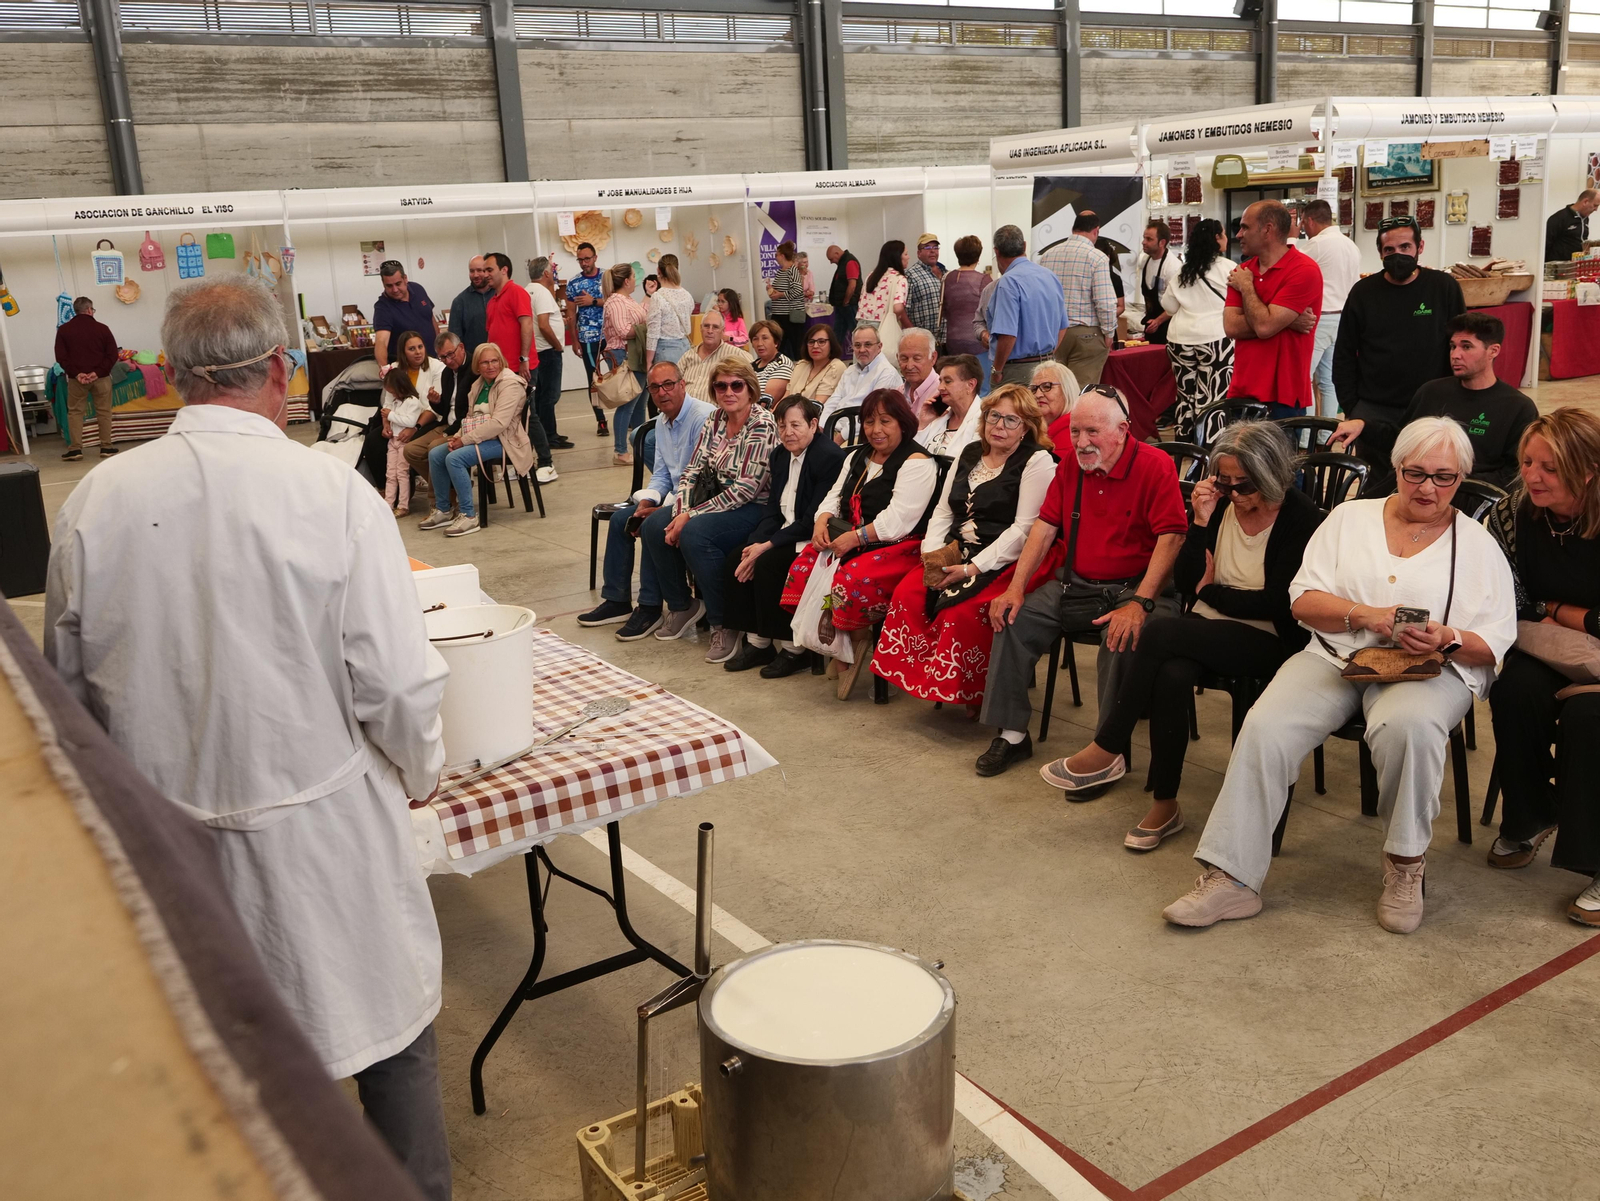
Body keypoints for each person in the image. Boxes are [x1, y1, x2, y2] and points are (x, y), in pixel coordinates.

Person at [44, 276, 453, 1201]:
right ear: (280, 370)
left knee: (226, 1084)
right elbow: (392, 679)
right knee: (389, 1048)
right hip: (329, 839)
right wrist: (422, 768)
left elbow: (68, 716)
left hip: (174, 851)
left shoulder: (94, 505)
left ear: (176, 374)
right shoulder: (331, 493)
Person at [1163, 417, 1516, 933]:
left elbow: (1495, 644)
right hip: (1334, 653)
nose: (1428, 488)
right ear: (1395, 468)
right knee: (1267, 726)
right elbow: (1302, 599)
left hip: (1427, 670)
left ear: (1461, 478)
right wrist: (1366, 616)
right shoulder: (1350, 519)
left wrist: (1448, 638)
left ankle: (1405, 865)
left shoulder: (1478, 546)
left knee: (1408, 728)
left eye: (1444, 477)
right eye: (1415, 472)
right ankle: (1231, 878)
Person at [1047, 423, 1322, 848]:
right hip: (1206, 628)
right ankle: (1165, 804)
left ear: (1269, 474)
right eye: (1223, 481)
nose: (1232, 491)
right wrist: (1199, 521)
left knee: (1156, 632)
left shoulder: (1300, 515)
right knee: (1172, 673)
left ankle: (1108, 746)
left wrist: (1212, 592)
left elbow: (1278, 603)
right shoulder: (1222, 507)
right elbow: (1189, 575)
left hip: (1269, 638)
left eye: (1242, 483)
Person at [974, 387, 1187, 778]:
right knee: (1012, 618)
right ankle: (1013, 734)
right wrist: (1016, 587)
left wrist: (1140, 603)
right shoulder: (1071, 465)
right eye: (1074, 432)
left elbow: (1171, 537)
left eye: (1092, 432)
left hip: (1137, 589)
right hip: (1076, 585)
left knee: (1119, 637)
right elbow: (1044, 527)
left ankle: (1109, 751)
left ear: (1122, 430)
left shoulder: (1155, 465)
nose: (1081, 442)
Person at [1484, 409, 1600, 926]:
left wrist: (1554, 609)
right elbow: (1507, 598)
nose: (1532, 476)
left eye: (1549, 468)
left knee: (1587, 719)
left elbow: (1536, 604)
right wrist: (1573, 617)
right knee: (1514, 692)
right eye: (1527, 462)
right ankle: (1531, 815)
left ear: (1588, 470)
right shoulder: (1513, 514)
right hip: (1548, 647)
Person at [874, 384, 1058, 707]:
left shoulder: (1037, 461)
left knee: (962, 612)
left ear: (1027, 426)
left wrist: (972, 568)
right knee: (909, 594)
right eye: (993, 416)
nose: (999, 426)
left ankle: (974, 693)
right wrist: (931, 555)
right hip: (959, 549)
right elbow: (944, 510)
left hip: (1009, 558)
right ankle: (928, 680)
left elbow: (1023, 531)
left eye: (1011, 420)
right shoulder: (971, 452)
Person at [781, 388, 940, 700]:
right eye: (869, 422)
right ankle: (842, 636)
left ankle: (850, 638)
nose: (875, 430)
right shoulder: (857, 456)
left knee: (849, 580)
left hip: (897, 545)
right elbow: (835, 495)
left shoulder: (917, 461)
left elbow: (898, 521)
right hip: (852, 537)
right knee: (803, 566)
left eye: (885, 421)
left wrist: (855, 537)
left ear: (902, 423)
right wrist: (821, 521)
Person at [640, 358, 778, 662]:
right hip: (713, 501)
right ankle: (682, 605)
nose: (728, 391)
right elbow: (691, 471)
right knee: (654, 526)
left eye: (736, 385)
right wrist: (680, 510)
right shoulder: (714, 420)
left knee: (695, 533)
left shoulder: (762, 424)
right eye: (721, 385)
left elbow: (746, 489)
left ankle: (725, 621)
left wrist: (690, 516)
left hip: (754, 507)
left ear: (750, 388)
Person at [578, 361, 714, 638]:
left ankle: (650, 606)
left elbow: (699, 479)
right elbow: (663, 474)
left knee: (653, 526)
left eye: (668, 385)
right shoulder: (662, 422)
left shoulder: (703, 417)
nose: (663, 392)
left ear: (682, 385)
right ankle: (617, 600)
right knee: (622, 520)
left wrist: (661, 510)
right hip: (675, 497)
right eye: (655, 387)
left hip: (698, 499)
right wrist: (646, 502)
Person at [720, 395, 849, 675]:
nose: (788, 433)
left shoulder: (828, 457)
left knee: (768, 564)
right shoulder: (780, 454)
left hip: (814, 537)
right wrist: (756, 542)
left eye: (795, 425)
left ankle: (794, 649)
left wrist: (766, 546)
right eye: (782, 426)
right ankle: (758, 642)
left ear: (813, 424)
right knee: (737, 559)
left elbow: (812, 519)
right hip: (786, 531)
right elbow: (773, 510)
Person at [1328, 216, 1465, 464]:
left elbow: (1459, 345)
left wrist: (1455, 398)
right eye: (1389, 250)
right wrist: (1352, 407)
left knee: (1425, 479)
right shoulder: (1363, 292)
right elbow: (1345, 354)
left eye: (1405, 248)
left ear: (1419, 247)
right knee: (1375, 481)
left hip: (1431, 409)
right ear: (1380, 252)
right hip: (1373, 410)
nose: (1397, 255)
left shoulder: (1443, 287)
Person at [1369, 312, 1538, 493]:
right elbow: (1399, 440)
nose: (1455, 355)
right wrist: (1364, 426)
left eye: (1466, 347)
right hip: (1414, 488)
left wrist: (1449, 481)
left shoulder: (1518, 407)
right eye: (1452, 346)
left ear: (1493, 351)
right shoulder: (1431, 392)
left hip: (1473, 498)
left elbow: (1515, 474)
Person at [419, 342, 535, 538]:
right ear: (477, 366)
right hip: (483, 437)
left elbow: (499, 424)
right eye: (484, 363)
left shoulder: (511, 385)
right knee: (436, 454)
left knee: (455, 458)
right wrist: (456, 437)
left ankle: (469, 515)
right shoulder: (478, 384)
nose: (490, 366)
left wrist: (464, 441)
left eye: (494, 361)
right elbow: (469, 419)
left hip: (506, 440)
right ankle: (444, 509)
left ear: (501, 362)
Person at [1223, 200, 1322, 418]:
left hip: (1283, 396)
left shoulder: (1304, 270)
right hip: (1242, 391)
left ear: (1268, 229)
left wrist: (1248, 288)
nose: (1239, 234)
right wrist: (1287, 320)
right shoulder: (1241, 271)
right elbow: (1231, 326)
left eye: (1245, 227)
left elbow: (1265, 326)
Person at [484, 252, 555, 483]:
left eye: (489, 270)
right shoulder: (493, 299)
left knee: (529, 414)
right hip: (503, 371)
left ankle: (546, 462)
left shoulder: (517, 293)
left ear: (504, 270)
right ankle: (520, 463)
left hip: (520, 367)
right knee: (510, 419)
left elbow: (527, 325)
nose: (486, 274)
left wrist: (524, 358)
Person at [1162, 217, 1236, 439]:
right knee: (1213, 395)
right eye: (1223, 234)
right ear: (1216, 238)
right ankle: (1209, 444)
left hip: (1179, 339)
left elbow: (1168, 306)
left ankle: (1185, 441)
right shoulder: (1229, 268)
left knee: (1185, 395)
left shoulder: (1183, 271)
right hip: (1216, 339)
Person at [1298, 199, 1362, 420]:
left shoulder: (1317, 245)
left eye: (1303, 224)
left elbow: (1292, 271)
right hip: (1343, 318)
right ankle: (1325, 436)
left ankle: (1305, 437)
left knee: (1304, 380)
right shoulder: (1350, 245)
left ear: (1310, 221)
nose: (1304, 229)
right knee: (1329, 382)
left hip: (1319, 319)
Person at [1038, 214, 1117, 388]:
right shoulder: (1098, 258)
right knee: (1082, 394)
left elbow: (1040, 297)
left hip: (1053, 333)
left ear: (1073, 229)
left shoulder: (1047, 256)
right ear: (1096, 231)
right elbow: (1105, 302)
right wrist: (1109, 333)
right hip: (1086, 334)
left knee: (1054, 392)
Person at [987, 224, 1069, 390]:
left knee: (1009, 414)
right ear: (1024, 245)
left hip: (1017, 370)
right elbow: (1063, 326)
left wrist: (997, 370)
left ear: (996, 252)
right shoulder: (1050, 276)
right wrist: (1047, 355)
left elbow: (1008, 334)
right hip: (1048, 366)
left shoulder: (1008, 282)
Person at [380, 330, 444, 515]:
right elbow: (387, 403)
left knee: (414, 446)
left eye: (420, 347)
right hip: (397, 420)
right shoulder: (394, 369)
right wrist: (386, 426)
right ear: (403, 352)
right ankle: (387, 494)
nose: (418, 352)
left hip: (426, 419)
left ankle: (406, 498)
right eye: (412, 349)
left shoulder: (436, 367)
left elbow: (434, 407)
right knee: (373, 443)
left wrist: (414, 428)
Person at [402, 331, 475, 481]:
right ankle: (450, 488)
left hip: (464, 427)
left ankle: (438, 500)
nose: (447, 361)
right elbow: (445, 410)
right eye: (442, 357)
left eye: (450, 354)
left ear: (461, 347)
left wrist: (448, 433)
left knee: (434, 449)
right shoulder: (447, 373)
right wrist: (435, 402)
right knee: (410, 450)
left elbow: (469, 412)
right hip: (447, 423)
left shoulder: (475, 370)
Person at [54, 296, 119, 461]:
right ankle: (106, 447)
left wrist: (77, 373)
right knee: (103, 411)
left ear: (76, 311)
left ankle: (75, 450)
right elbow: (112, 355)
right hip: (101, 378)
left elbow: (61, 357)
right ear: (89, 310)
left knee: (75, 412)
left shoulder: (64, 330)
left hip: (77, 380)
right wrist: (97, 372)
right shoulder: (103, 329)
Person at [602, 263, 649, 465]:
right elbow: (623, 330)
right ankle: (620, 451)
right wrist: (646, 327)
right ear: (627, 280)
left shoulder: (627, 300)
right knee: (627, 404)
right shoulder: (616, 302)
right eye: (633, 276)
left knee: (639, 403)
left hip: (635, 353)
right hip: (624, 354)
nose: (636, 280)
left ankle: (640, 444)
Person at [818, 324, 902, 433]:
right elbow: (833, 401)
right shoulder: (850, 370)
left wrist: (840, 438)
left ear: (879, 346)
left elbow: (872, 416)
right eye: (857, 345)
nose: (862, 350)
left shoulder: (886, 374)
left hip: (859, 436)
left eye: (868, 344)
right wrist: (822, 427)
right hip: (834, 428)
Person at [565, 240, 609, 439]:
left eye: (587, 258)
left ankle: (631, 418)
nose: (584, 263)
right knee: (593, 379)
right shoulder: (573, 283)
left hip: (611, 334)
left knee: (623, 374)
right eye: (580, 259)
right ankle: (601, 421)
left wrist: (594, 301)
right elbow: (571, 315)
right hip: (587, 338)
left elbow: (617, 301)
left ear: (595, 258)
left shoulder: (608, 277)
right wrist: (574, 340)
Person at [527, 255, 570, 449]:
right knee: (550, 397)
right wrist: (558, 345)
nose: (554, 274)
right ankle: (549, 436)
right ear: (546, 273)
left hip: (538, 351)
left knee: (542, 396)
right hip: (548, 351)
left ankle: (549, 433)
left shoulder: (527, 291)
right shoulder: (543, 293)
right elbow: (543, 325)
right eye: (552, 270)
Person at [380, 362, 426, 518]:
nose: (391, 394)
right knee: (390, 473)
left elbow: (410, 422)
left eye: (392, 391)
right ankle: (388, 503)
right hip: (393, 441)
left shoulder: (412, 401)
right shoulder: (395, 402)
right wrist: (387, 424)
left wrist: (390, 416)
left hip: (403, 442)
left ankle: (403, 505)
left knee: (402, 473)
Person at [372, 261, 438, 366]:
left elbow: (430, 318)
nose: (395, 290)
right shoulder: (382, 307)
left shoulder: (418, 289)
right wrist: (385, 370)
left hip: (432, 361)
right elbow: (381, 341)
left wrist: (439, 349)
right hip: (406, 367)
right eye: (389, 286)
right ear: (383, 284)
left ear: (405, 278)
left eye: (398, 284)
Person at [677, 308, 752, 401]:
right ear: (700, 328)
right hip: (685, 412)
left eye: (715, 327)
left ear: (723, 330)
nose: (710, 331)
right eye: (706, 326)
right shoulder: (688, 356)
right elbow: (673, 384)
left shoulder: (734, 354)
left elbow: (754, 376)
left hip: (715, 413)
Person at [916, 353, 982, 456]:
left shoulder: (984, 420)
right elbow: (913, 456)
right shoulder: (940, 415)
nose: (940, 387)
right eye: (940, 381)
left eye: (947, 381)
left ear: (970, 385)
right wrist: (923, 424)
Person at [1133, 221, 1181, 346]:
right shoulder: (1145, 260)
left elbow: (1177, 303)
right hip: (1151, 323)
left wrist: (1158, 321)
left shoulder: (1173, 267)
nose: (1143, 242)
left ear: (1162, 243)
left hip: (1168, 328)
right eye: (1144, 238)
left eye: (1149, 239)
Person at [941, 235, 988, 357]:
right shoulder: (984, 279)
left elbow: (945, 310)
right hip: (977, 341)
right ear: (978, 255)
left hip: (952, 341)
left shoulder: (947, 278)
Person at [647, 254, 695, 370]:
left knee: (667, 386)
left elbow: (653, 333)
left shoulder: (657, 297)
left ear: (658, 271)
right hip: (685, 346)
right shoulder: (687, 295)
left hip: (666, 349)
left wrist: (648, 361)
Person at [788, 324, 848, 410]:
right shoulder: (802, 364)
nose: (815, 346)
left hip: (814, 418)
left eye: (821, 341)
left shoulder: (836, 366)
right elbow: (786, 396)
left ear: (831, 344)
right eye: (811, 342)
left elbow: (817, 406)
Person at [766, 241, 809, 360]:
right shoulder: (781, 272)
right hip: (779, 314)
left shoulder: (793, 271)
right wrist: (771, 290)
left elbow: (797, 290)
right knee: (779, 345)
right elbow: (782, 289)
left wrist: (780, 295)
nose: (776, 257)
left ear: (782, 256)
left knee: (796, 346)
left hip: (790, 316)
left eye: (777, 255)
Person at [857, 240, 910, 336]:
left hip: (861, 325)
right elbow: (897, 308)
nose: (908, 257)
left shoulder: (871, 275)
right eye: (906, 254)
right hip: (883, 326)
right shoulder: (899, 278)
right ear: (897, 257)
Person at [447, 255, 493, 361]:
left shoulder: (499, 295)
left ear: (487, 271)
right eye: (472, 271)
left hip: (502, 359)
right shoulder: (459, 302)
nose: (475, 275)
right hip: (474, 363)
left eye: (479, 270)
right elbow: (455, 340)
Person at [1028, 360, 1081, 446]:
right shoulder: (1030, 426)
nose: (1037, 395)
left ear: (1067, 390)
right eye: (1034, 389)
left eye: (1047, 386)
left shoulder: (1072, 430)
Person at [1545, 188, 1599, 264]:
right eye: (1595, 205)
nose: (1596, 209)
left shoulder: (1585, 219)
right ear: (1585, 202)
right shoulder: (1559, 218)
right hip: (1559, 267)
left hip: (1577, 266)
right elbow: (1546, 243)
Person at [907, 234, 944, 342]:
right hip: (923, 340)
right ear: (919, 253)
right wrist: (913, 333)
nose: (932, 251)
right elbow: (903, 311)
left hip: (945, 339)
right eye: (927, 247)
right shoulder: (911, 275)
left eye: (935, 247)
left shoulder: (946, 273)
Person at [747, 319, 793, 405]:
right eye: (755, 339)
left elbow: (766, 402)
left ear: (776, 342)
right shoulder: (750, 366)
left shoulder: (782, 364)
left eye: (765, 338)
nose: (759, 343)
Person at [897, 326, 940, 415]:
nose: (909, 366)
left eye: (917, 358)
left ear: (933, 358)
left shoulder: (942, 394)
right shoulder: (898, 393)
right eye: (904, 358)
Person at [826, 244, 862, 342]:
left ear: (837, 253)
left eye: (831, 259)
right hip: (842, 305)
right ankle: (834, 355)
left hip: (849, 305)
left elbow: (852, 285)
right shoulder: (843, 263)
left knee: (856, 332)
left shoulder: (850, 262)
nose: (831, 262)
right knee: (837, 334)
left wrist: (846, 301)